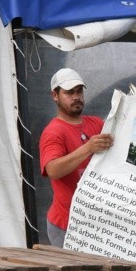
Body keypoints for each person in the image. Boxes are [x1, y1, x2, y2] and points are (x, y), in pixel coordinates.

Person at [39, 68, 114, 247]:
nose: (76, 97)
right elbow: (53, 170)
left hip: (96, 224)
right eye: (69, 92)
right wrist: (88, 148)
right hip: (66, 226)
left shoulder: (96, 123)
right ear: (55, 95)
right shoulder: (53, 132)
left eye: (79, 91)